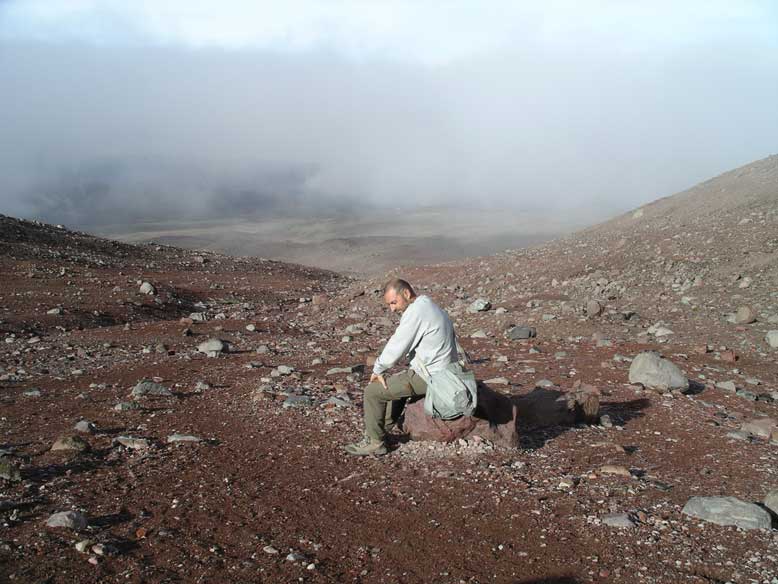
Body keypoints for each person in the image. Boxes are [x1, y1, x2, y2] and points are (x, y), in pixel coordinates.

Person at [344, 278, 459, 456]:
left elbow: (397, 345)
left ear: (406, 293)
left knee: (372, 392)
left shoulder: (417, 311)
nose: (392, 309)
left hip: (433, 376)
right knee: (396, 387)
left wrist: (378, 369)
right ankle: (382, 432)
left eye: (394, 302)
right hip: (443, 371)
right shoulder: (429, 306)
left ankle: (375, 443)